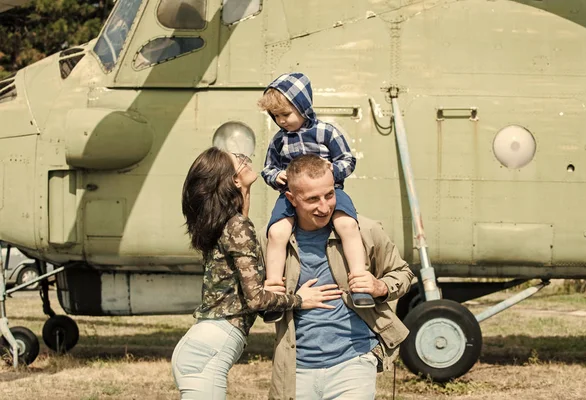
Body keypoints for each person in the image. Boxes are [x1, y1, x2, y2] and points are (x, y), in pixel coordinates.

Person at [172, 147, 343, 400]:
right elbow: (256, 299)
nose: (245, 159)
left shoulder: (230, 222)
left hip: (203, 345)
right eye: (238, 160)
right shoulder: (237, 225)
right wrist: (299, 299)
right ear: (233, 180)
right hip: (210, 349)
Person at [259, 154, 415, 400]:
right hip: (295, 369)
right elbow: (253, 298)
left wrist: (379, 286)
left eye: (329, 195)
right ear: (291, 198)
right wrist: (291, 299)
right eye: (312, 199)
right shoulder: (271, 241)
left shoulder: (364, 230)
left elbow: (403, 273)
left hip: (353, 363)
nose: (324, 207)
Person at [258, 72, 375, 315]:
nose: (281, 121)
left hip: (330, 191)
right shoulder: (279, 141)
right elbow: (268, 167)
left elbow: (348, 160)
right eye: (276, 116)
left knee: (348, 226)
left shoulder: (327, 132)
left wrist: (334, 171)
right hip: (291, 195)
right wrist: (275, 176)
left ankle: (360, 281)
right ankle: (274, 292)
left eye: (286, 114)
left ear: (303, 107)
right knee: (276, 233)